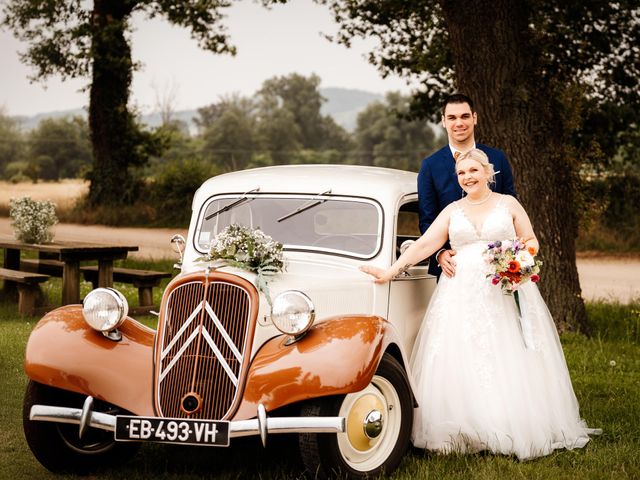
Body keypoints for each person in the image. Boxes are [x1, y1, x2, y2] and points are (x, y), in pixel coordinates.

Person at [362, 149, 599, 460]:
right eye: (462, 173)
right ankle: (463, 427)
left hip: (502, 287)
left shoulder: (509, 204)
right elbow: (424, 244)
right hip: (460, 292)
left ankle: (510, 423)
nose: (468, 177)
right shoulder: (452, 210)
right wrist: (391, 271)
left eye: (473, 170)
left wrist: (517, 261)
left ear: (489, 173)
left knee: (506, 351)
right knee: (461, 353)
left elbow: (530, 240)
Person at [418, 93, 517, 279]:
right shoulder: (430, 166)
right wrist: (439, 253)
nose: (459, 123)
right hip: (452, 269)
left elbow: (511, 207)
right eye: (452, 118)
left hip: (498, 267)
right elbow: (426, 219)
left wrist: (511, 256)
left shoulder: (498, 159)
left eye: (464, 116)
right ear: (443, 121)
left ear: (475, 118)